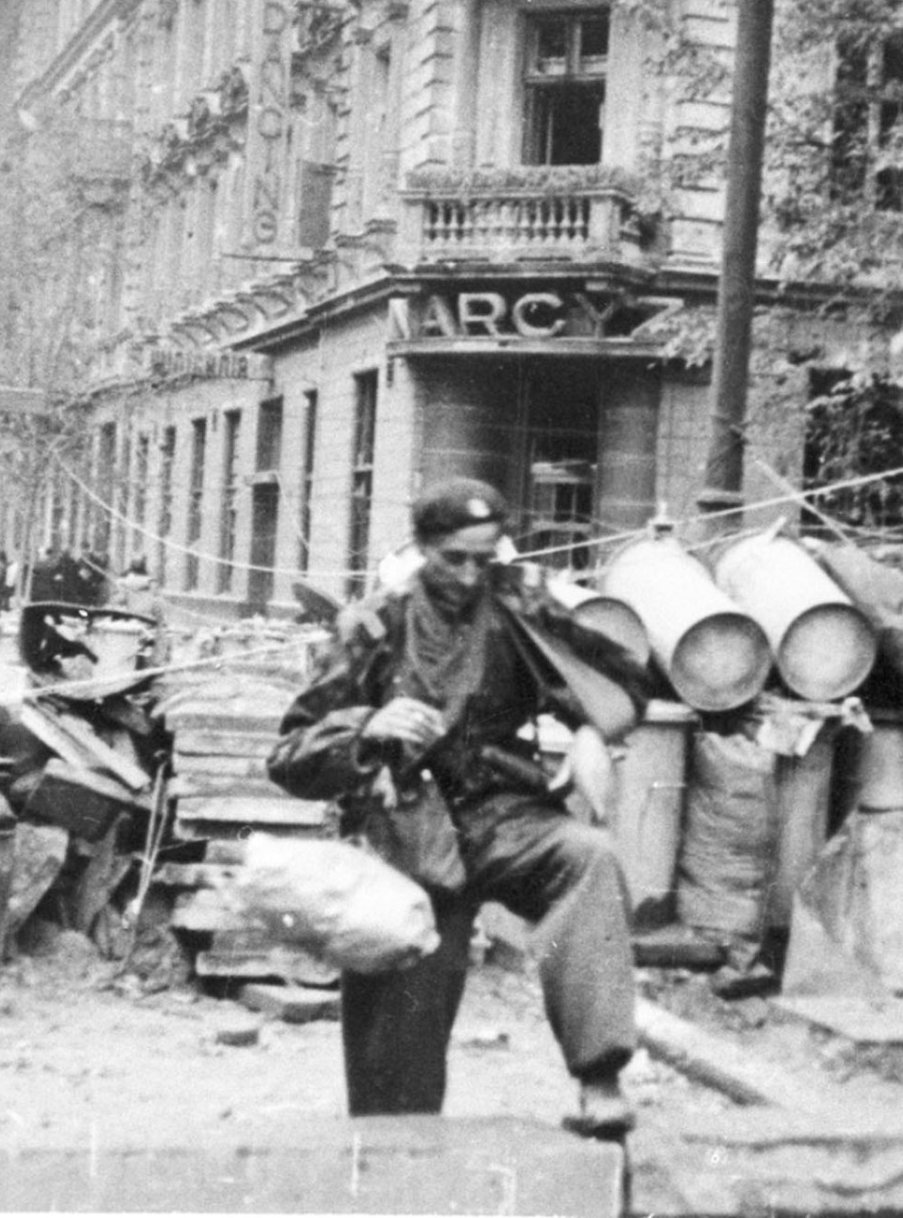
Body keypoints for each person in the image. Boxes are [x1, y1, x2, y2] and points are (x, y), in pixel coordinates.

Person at [265, 478, 650, 1135]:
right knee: (402, 1025)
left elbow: (623, 676)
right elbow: (290, 755)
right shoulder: (375, 624)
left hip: (504, 813)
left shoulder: (518, 606)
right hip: (407, 830)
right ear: (423, 548)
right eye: (454, 559)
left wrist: (593, 726)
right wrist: (368, 727)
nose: (471, 575)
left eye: (484, 557)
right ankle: (394, 1149)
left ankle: (601, 1078)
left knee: (586, 858)